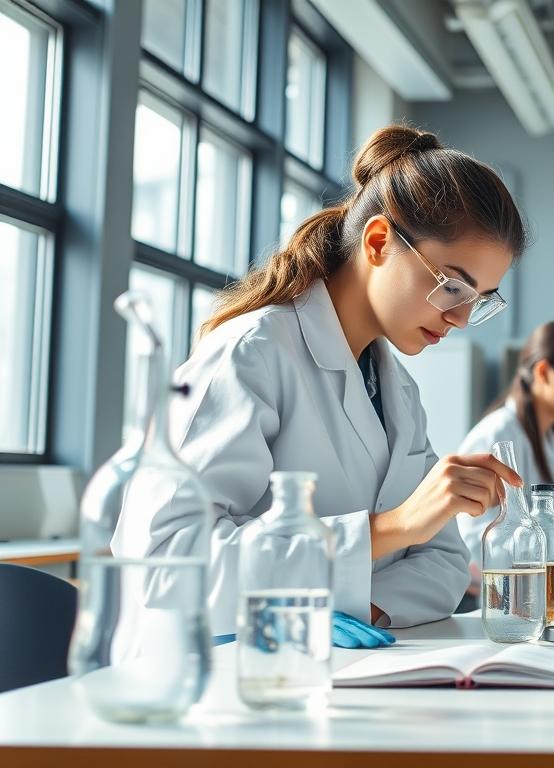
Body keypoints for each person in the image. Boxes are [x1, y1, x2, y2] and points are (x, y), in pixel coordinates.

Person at [113, 125, 526, 637]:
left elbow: (443, 564)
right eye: (453, 286)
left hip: (329, 671)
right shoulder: (252, 353)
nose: (461, 318)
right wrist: (392, 531)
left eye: (479, 298)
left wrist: (358, 610)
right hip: (210, 679)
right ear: (378, 243)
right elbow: (165, 561)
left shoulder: (397, 393)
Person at [456, 321, 554, 600]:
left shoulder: (549, 439)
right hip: (506, 600)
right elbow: (472, 537)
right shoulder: (499, 433)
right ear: (544, 372)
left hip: (542, 597)